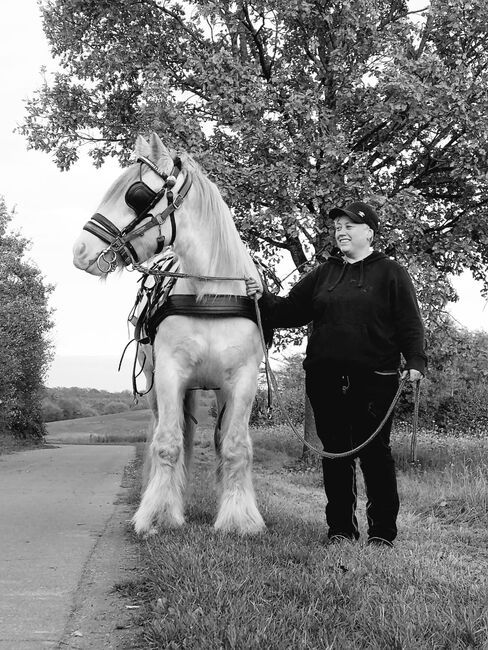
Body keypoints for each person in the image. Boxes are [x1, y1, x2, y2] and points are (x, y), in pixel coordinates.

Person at [245, 201, 426, 547]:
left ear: (369, 232)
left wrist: (416, 361)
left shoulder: (391, 272)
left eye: (349, 226)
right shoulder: (324, 273)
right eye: (337, 227)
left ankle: (382, 533)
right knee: (335, 454)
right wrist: (262, 298)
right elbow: (289, 311)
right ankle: (341, 529)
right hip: (325, 378)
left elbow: (409, 323)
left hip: (375, 377)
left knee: (375, 455)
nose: (341, 232)